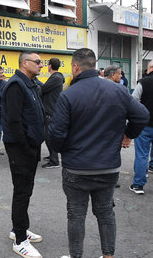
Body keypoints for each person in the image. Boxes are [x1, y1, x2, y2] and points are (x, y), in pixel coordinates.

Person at [50, 48, 148, 258]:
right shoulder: (118, 90)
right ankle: (108, 256)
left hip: (76, 168)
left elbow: (56, 135)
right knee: (105, 213)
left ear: (76, 67)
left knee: (76, 215)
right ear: (94, 66)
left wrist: (64, 149)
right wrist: (127, 135)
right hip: (108, 166)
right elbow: (142, 115)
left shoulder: (68, 96)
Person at [1, 51, 45, 258]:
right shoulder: (16, 85)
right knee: (21, 192)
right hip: (21, 149)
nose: (41, 65)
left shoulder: (31, 84)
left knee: (26, 190)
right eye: (37, 62)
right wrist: (27, 148)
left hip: (30, 147)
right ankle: (19, 241)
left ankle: (19, 228)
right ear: (24, 63)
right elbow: (14, 121)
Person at [130, 60, 153, 194]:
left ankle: (138, 185)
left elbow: (133, 101)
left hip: (145, 125)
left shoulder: (143, 82)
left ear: (150, 68)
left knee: (142, 155)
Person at [41, 58, 64, 169]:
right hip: (50, 110)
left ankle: (54, 161)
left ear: (49, 66)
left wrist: (34, 81)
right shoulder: (56, 78)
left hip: (50, 111)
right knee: (48, 136)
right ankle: (52, 156)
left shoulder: (56, 78)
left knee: (48, 136)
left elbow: (44, 89)